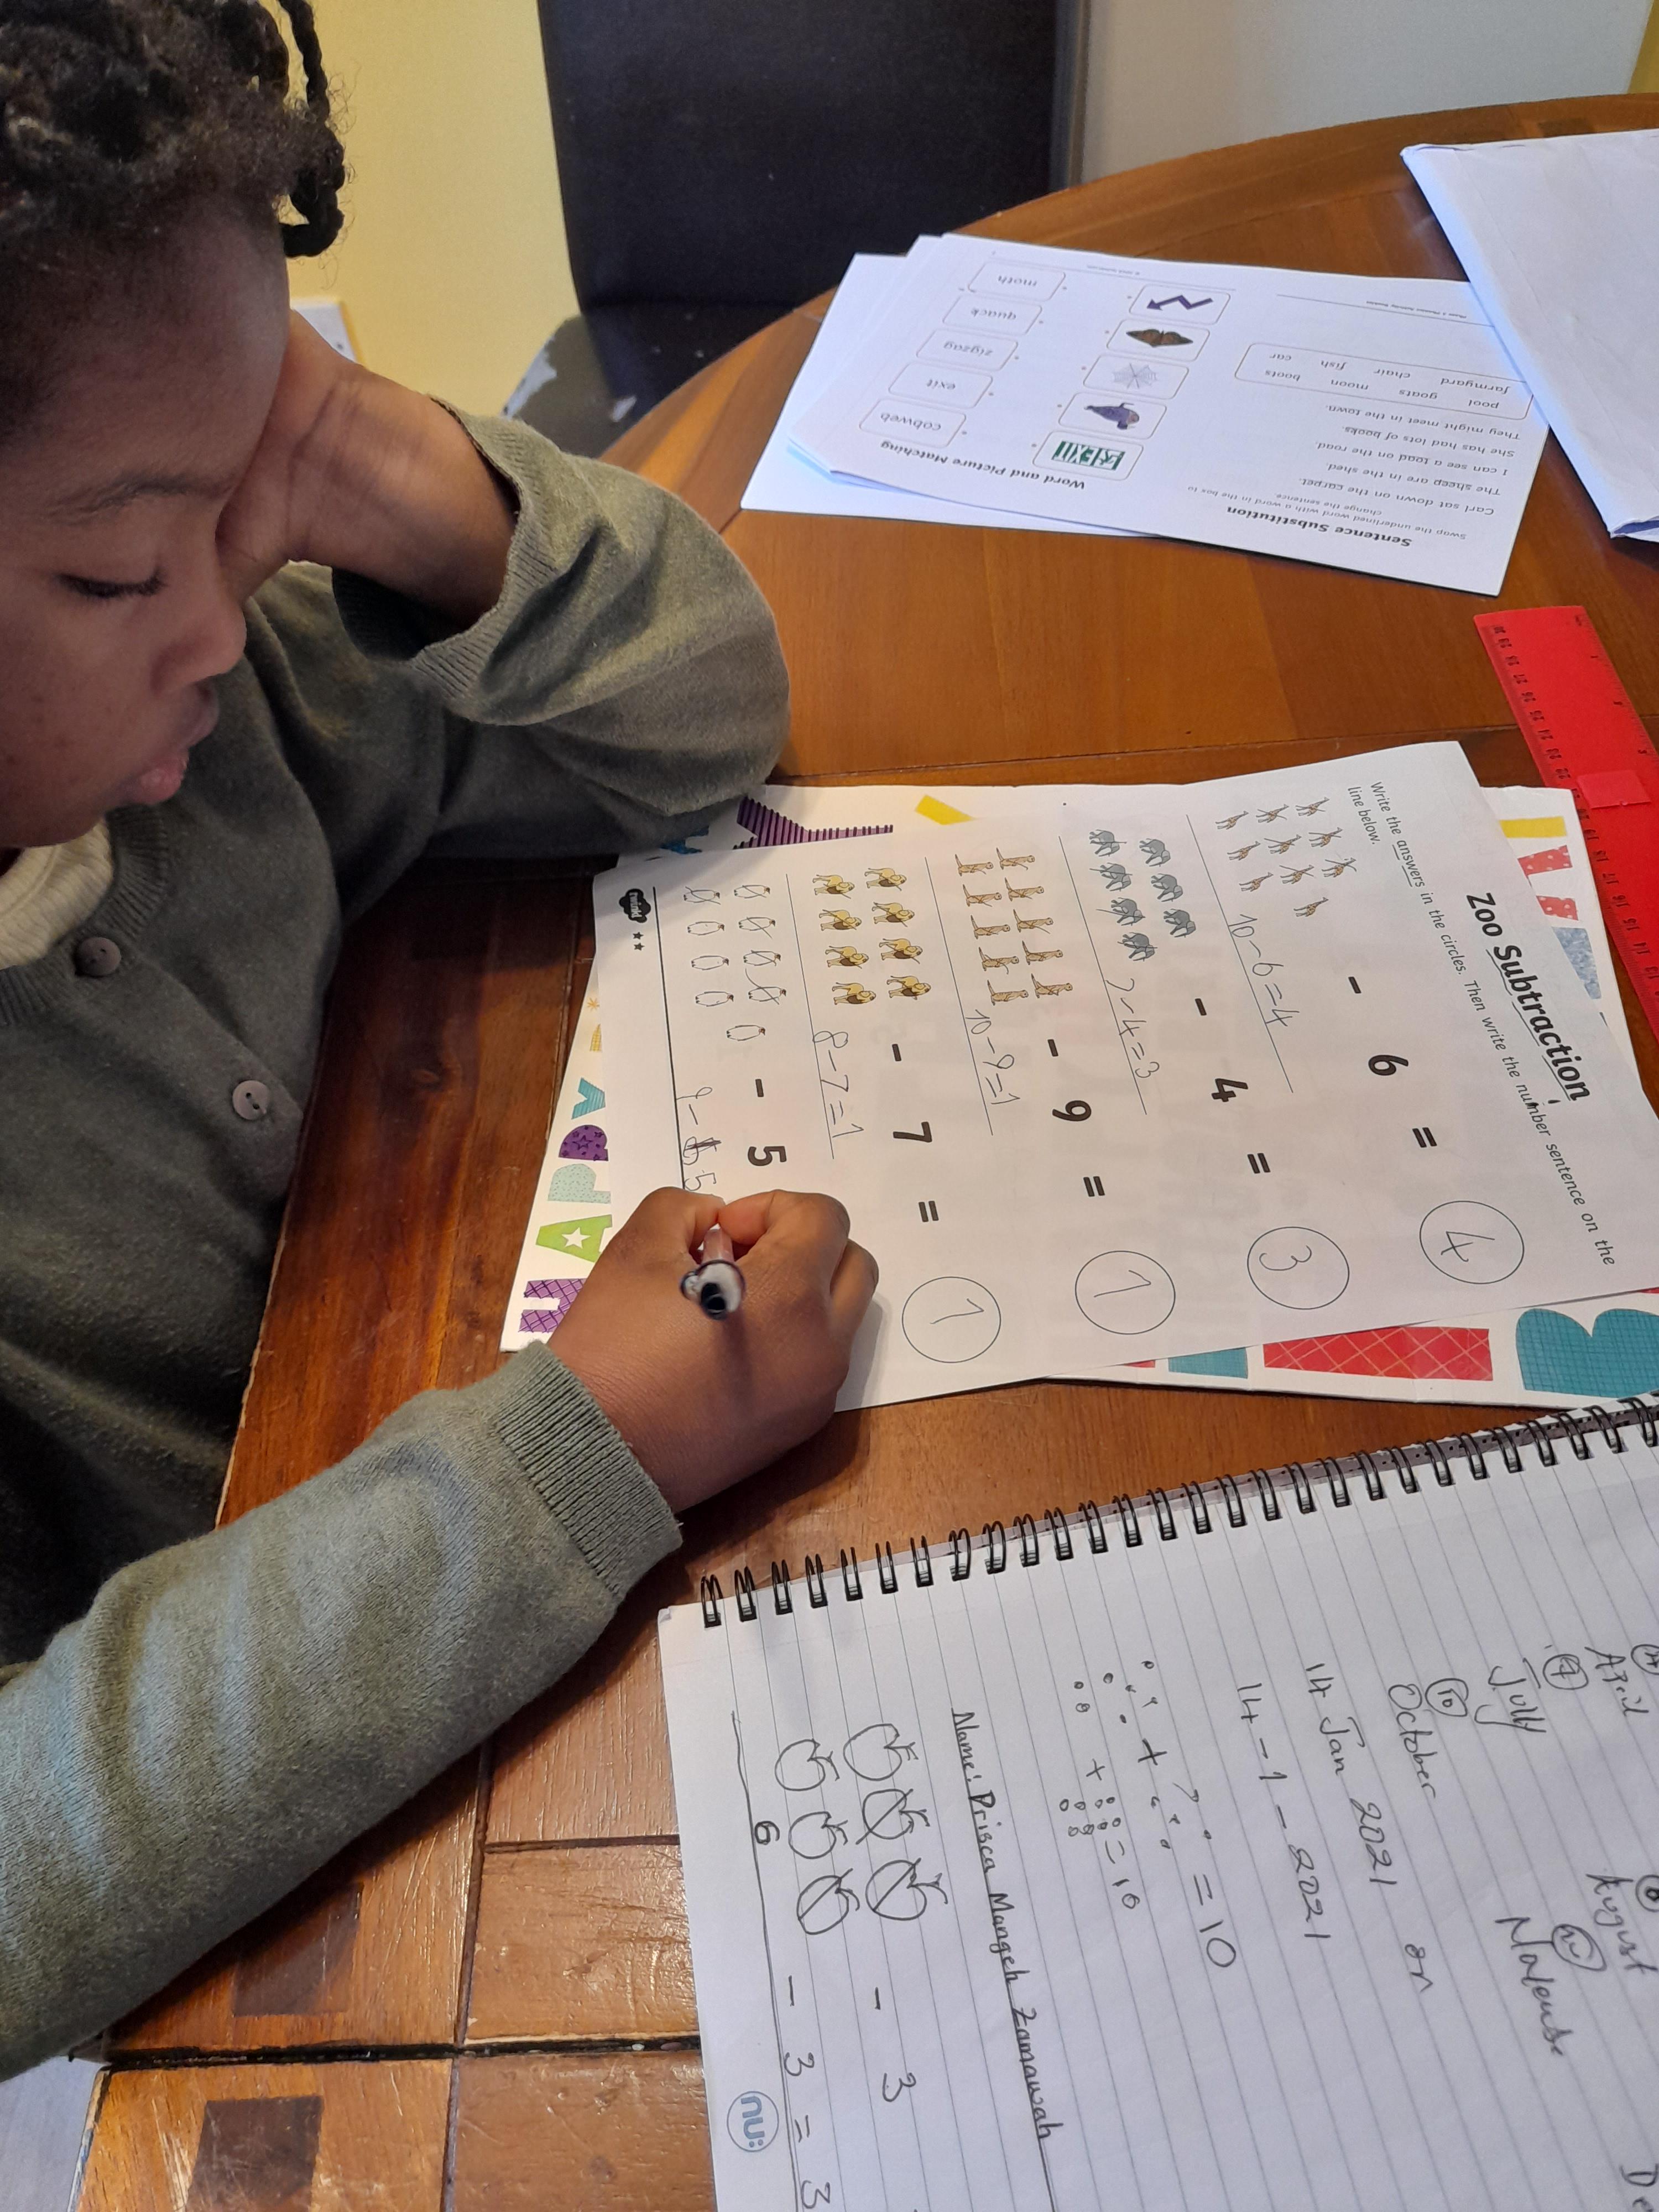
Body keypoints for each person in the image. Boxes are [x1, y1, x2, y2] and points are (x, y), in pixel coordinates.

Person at [0, 0, 876, 2077]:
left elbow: (706, 717)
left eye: (241, 499)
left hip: (400, 1520)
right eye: (118, 568)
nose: (219, 618)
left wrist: (352, 453)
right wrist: (577, 1456)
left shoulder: (202, 713)